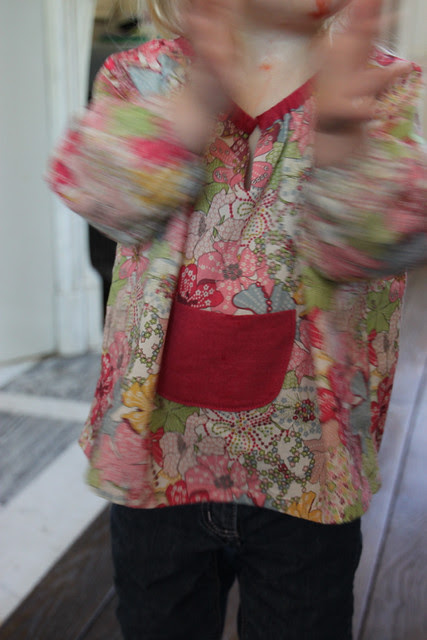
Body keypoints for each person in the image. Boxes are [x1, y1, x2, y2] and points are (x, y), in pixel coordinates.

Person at [47, 0, 427, 638]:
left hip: (307, 471)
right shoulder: (138, 76)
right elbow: (101, 195)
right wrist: (193, 106)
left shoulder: (375, 85)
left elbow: (373, 245)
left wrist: (341, 144)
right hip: (157, 465)